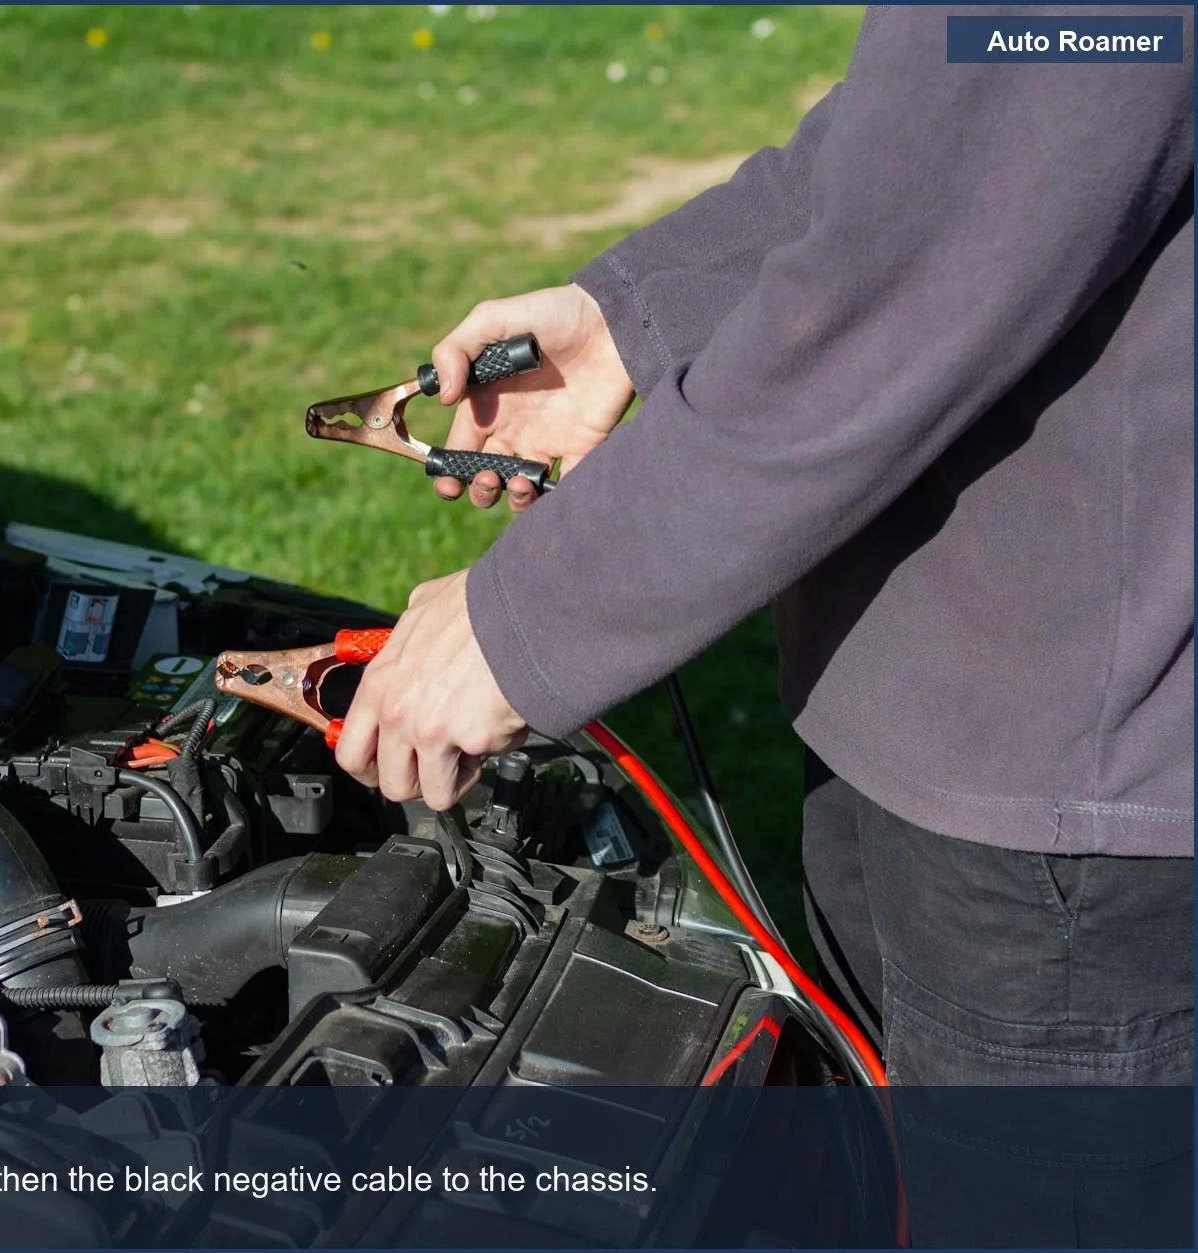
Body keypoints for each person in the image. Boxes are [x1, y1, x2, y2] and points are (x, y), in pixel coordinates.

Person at [332, 4, 1194, 1095]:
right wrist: (628, 312)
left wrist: (523, 621)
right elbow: (933, 122)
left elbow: (880, 316)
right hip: (923, 713)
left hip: (1072, 821)